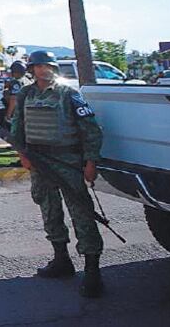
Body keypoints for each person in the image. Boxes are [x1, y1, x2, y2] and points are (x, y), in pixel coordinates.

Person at [11, 50, 105, 299]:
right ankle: (61, 260)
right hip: (39, 162)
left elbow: (91, 130)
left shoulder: (68, 94)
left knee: (82, 213)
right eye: (38, 66)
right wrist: (23, 153)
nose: (43, 70)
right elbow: (17, 126)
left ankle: (93, 271)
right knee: (49, 210)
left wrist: (90, 162)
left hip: (67, 161)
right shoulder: (26, 94)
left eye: (47, 66)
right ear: (32, 70)